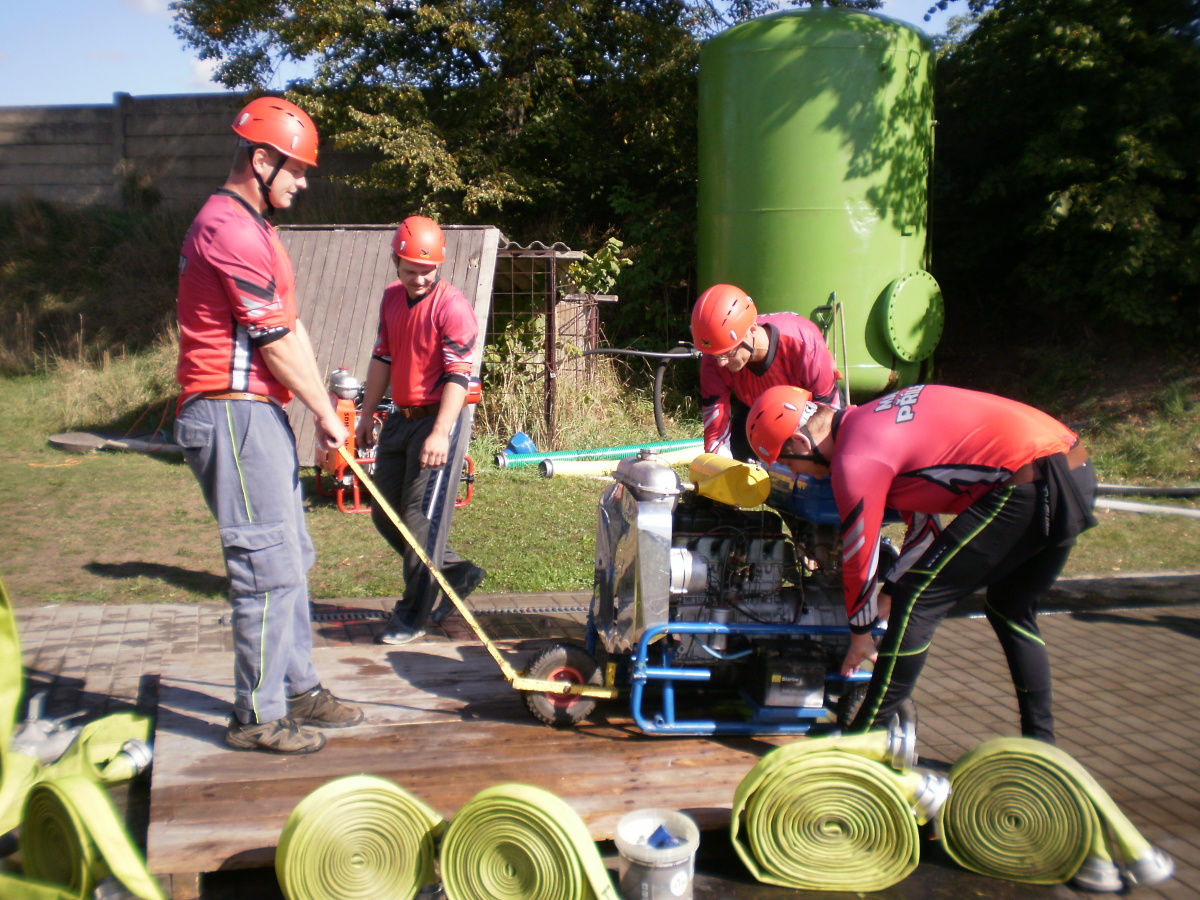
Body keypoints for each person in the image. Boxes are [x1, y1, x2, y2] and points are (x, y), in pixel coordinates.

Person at [746, 383, 1097, 743]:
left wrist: (860, 633)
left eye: (788, 462)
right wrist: (887, 594)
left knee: (917, 601)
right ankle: (1041, 744)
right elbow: (924, 529)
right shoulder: (873, 421)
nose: (797, 474)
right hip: (1073, 468)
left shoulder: (855, 459)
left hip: (1032, 480)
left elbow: (859, 555)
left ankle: (863, 741)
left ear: (802, 443)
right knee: (1010, 608)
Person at [173, 96, 363, 754]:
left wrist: (325, 412)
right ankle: (256, 716)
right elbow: (272, 342)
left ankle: (298, 689)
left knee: (293, 559)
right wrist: (322, 411)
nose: (303, 183)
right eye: (297, 170)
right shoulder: (226, 229)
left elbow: (292, 328)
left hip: (258, 412)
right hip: (230, 413)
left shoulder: (259, 232)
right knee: (265, 567)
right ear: (261, 161)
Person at [355, 216, 486, 645]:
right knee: (385, 512)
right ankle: (455, 572)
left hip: (438, 419)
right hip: (400, 417)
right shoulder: (391, 298)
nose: (419, 279)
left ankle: (412, 617)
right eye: (411, 270)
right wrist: (366, 415)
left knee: (417, 520)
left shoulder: (453, 307)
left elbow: (458, 376)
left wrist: (440, 433)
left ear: (439, 265)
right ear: (396, 263)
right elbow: (382, 358)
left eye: (427, 271)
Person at [691, 284, 842, 460]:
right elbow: (715, 427)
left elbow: (827, 416)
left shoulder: (805, 346)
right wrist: (718, 464)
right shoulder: (715, 353)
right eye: (714, 355)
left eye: (728, 353)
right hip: (754, 408)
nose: (721, 363)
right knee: (741, 460)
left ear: (752, 331)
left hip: (806, 410)